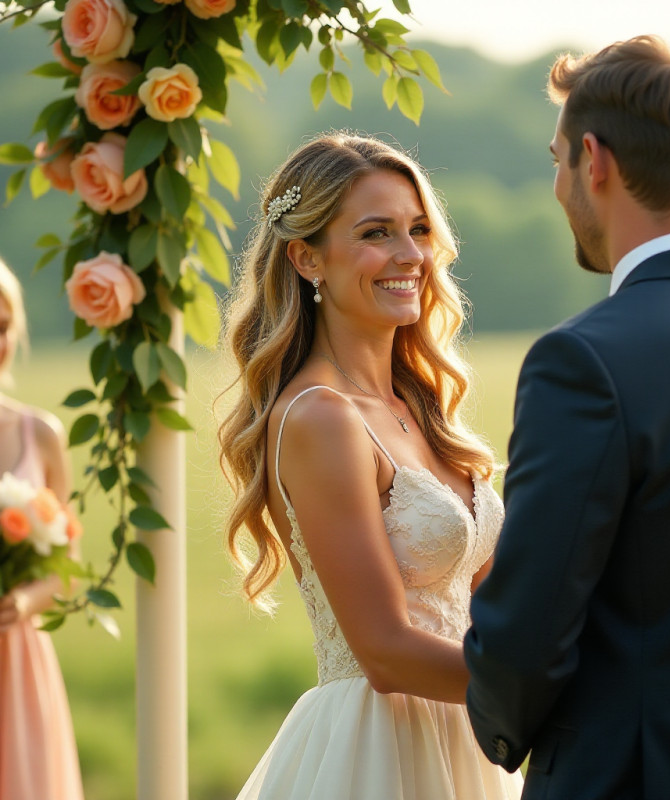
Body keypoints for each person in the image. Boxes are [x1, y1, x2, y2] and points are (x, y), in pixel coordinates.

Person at [464, 34, 670, 799]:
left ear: (593, 162)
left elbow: (530, 629)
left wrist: (498, 717)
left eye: (557, 156)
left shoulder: (584, 362)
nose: (560, 184)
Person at [218, 132, 523, 799]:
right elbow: (383, 651)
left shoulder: (419, 404)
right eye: (376, 233)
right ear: (307, 259)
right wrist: (550, 686)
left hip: (470, 738)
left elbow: (486, 601)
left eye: (417, 230)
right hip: (379, 751)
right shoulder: (320, 418)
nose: (410, 255)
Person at [0, 245, 85, 800]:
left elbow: (66, 568)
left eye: (2, 327)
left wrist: (18, 605)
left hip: (18, 662)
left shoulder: (39, 434)